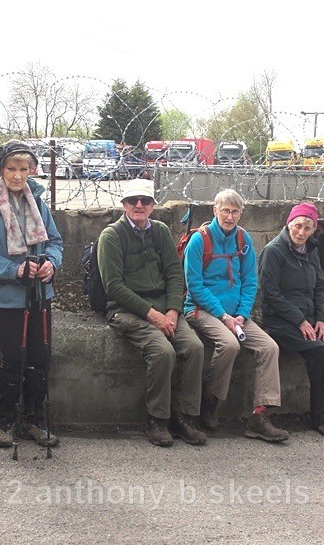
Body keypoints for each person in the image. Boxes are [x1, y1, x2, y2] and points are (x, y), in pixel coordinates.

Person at [0, 140, 63, 449]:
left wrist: (50, 263)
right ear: (0, 169)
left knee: (40, 356)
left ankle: (35, 419)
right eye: (11, 169)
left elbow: (55, 242)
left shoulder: (38, 201)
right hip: (7, 296)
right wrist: (15, 271)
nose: (18, 176)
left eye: (24, 169)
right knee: (14, 357)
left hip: (39, 292)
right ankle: (5, 420)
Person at [97, 179, 206, 447]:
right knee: (162, 351)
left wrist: (172, 310)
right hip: (126, 311)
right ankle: (157, 419)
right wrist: (151, 314)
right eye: (133, 200)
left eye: (145, 201)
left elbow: (173, 273)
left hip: (163, 308)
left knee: (194, 347)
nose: (139, 205)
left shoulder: (160, 232)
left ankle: (184, 417)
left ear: (152, 205)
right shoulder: (111, 236)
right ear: (124, 204)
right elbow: (113, 287)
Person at [184, 189, 289, 442]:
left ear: (241, 213)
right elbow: (194, 285)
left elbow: (250, 280)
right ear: (215, 211)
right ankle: (210, 400)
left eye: (235, 212)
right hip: (202, 310)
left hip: (236, 315)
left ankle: (259, 416)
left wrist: (242, 314)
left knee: (269, 348)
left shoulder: (243, 239)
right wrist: (223, 316)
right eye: (225, 211)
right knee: (230, 344)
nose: (230, 216)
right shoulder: (200, 240)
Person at [258, 202, 324, 437]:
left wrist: (322, 320)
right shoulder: (273, 251)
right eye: (298, 226)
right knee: (318, 352)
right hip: (280, 320)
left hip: (308, 319)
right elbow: (270, 294)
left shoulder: (310, 251)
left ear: (313, 230)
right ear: (289, 225)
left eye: (307, 228)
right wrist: (300, 320)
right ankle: (321, 417)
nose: (301, 233)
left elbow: (319, 289)